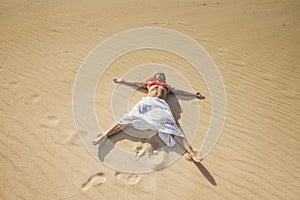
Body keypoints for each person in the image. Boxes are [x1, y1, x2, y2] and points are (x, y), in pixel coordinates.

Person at [93, 72, 205, 162]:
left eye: (163, 76)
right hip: (147, 103)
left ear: (164, 79)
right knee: (129, 118)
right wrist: (123, 81)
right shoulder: (150, 84)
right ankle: (104, 136)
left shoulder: (167, 87)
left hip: (161, 105)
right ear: (155, 77)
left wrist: (194, 94)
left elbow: (180, 92)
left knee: (172, 127)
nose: (161, 76)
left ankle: (191, 153)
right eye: (159, 75)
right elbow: (136, 84)